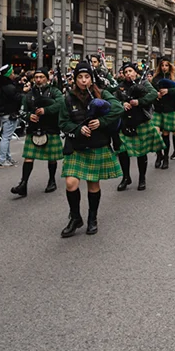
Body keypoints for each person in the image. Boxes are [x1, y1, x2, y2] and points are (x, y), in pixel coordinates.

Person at [56, 60, 124, 237]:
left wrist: (101, 122)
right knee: (71, 183)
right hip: (76, 146)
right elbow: (63, 122)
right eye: (80, 77)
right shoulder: (68, 98)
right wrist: (79, 129)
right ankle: (76, 217)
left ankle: (92, 218)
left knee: (93, 184)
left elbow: (117, 109)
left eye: (87, 77)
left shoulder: (102, 93)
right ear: (75, 79)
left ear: (92, 79)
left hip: (97, 145)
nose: (84, 80)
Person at [11, 69, 63, 198]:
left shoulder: (55, 92)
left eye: (41, 77)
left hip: (51, 128)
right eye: (36, 77)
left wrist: (46, 110)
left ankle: (52, 181)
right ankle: (23, 184)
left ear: (47, 78)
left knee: (52, 157)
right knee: (28, 156)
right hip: (34, 129)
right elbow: (22, 111)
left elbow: (61, 104)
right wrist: (29, 116)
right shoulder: (29, 95)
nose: (38, 79)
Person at [115, 63, 163, 191]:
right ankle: (126, 177)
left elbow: (153, 94)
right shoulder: (121, 87)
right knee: (123, 152)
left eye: (130, 71)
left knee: (141, 152)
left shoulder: (144, 83)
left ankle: (142, 178)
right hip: (126, 122)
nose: (128, 74)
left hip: (141, 122)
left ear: (136, 72)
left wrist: (139, 102)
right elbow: (114, 100)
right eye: (125, 72)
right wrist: (122, 103)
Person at [150, 56, 175, 168]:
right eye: (162, 65)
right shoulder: (155, 77)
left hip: (169, 109)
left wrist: (168, 91)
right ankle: (159, 155)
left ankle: (165, 158)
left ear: (170, 66)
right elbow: (149, 91)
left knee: (165, 134)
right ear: (159, 66)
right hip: (158, 109)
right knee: (155, 133)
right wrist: (156, 95)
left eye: (166, 65)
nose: (164, 67)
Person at [0, 65, 22, 168]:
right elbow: (17, 98)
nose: (13, 75)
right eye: (11, 73)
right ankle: (2, 160)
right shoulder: (9, 87)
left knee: (5, 137)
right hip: (10, 113)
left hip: (3, 113)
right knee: (6, 138)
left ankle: (7, 158)